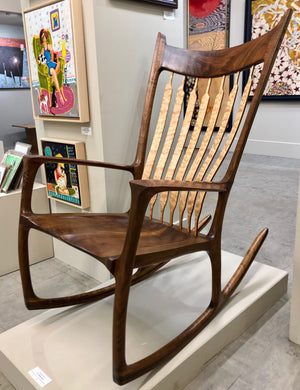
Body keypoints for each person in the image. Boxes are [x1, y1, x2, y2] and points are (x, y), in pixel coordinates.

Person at [39, 28, 64, 105]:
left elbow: (53, 54)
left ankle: (53, 77)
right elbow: (41, 60)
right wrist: (41, 58)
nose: (44, 39)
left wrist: (53, 54)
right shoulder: (43, 49)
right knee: (53, 71)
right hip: (48, 65)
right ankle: (60, 95)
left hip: (52, 62)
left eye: (44, 37)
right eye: (42, 37)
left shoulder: (49, 46)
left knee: (59, 63)